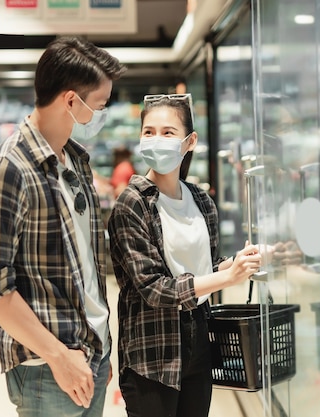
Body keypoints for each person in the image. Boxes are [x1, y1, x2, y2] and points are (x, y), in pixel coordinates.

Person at [0, 36, 126, 417]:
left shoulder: (76, 161)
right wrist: (59, 357)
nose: (100, 116)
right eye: (99, 106)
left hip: (91, 355)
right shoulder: (8, 170)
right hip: (46, 370)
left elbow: (84, 264)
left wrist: (97, 348)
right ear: (71, 101)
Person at [107, 93, 262, 417]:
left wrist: (238, 263)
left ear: (189, 141)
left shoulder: (201, 200)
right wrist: (225, 276)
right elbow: (153, 287)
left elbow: (207, 265)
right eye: (149, 132)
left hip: (199, 342)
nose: (156, 140)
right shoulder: (133, 203)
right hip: (153, 351)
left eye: (168, 132)